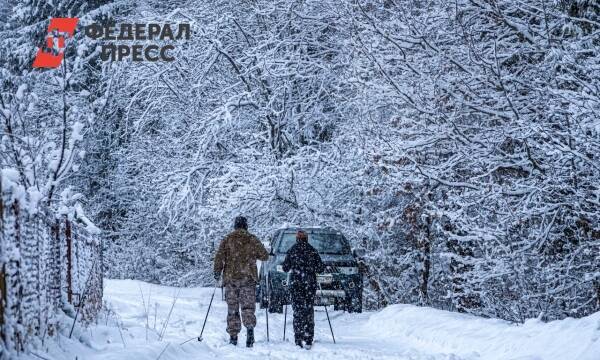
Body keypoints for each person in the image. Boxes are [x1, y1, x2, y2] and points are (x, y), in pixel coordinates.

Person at [213, 216, 269, 347]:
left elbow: (219, 257)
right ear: (246, 226)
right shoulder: (252, 239)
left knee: (233, 308)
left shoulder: (227, 239)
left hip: (231, 279)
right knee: (248, 307)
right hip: (248, 279)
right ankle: (250, 331)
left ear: (235, 226)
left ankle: (233, 336)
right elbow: (264, 256)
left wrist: (217, 272)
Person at [281, 230, 325, 349]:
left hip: (296, 284)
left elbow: (285, 268)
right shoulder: (312, 251)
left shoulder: (292, 250)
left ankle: (298, 337)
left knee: (298, 311)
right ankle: (309, 337)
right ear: (307, 239)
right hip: (309, 284)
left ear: (297, 239)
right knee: (308, 310)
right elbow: (321, 268)